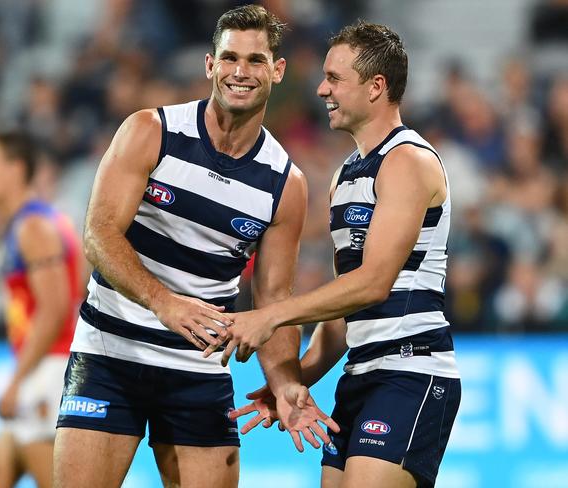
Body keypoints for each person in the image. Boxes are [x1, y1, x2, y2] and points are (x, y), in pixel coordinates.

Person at [53, 5, 338, 488]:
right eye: (229, 58)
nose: (240, 72)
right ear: (210, 65)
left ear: (277, 70)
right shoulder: (150, 131)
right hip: (109, 354)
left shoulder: (285, 185)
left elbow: (272, 302)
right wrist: (164, 303)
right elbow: (99, 236)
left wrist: (289, 382)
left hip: (197, 371)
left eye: (254, 60)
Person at [217, 21, 462, 488]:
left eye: (334, 78)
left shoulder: (408, 160)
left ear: (376, 87)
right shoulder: (345, 175)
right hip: (361, 376)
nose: (321, 88)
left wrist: (272, 317)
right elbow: (343, 310)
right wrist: (293, 383)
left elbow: (374, 282)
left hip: (411, 370)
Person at [0, 132, 83, 488]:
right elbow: (79, 286)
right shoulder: (48, 220)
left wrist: (17, 381)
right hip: (49, 365)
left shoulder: (33, 227)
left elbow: (53, 311)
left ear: (15, 169)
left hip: (47, 370)